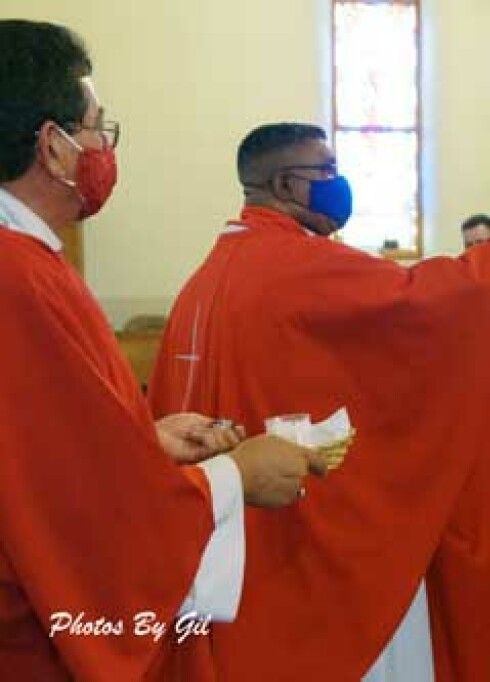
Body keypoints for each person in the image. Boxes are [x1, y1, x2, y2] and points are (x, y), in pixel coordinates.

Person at [146, 122, 490, 681]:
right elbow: (424, 303)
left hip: (233, 542)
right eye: (325, 171)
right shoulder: (295, 264)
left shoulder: (207, 277)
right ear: (285, 185)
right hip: (296, 544)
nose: (337, 183)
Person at [0, 20, 323, 680]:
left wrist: (138, 444)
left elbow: (39, 458)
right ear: (53, 146)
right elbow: (72, 520)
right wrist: (236, 477)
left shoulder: (29, 261)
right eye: (96, 128)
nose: (103, 148)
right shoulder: (17, 278)